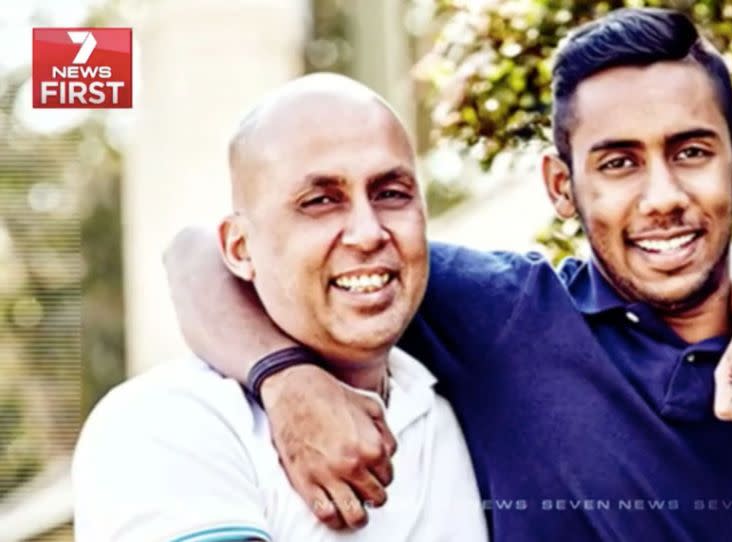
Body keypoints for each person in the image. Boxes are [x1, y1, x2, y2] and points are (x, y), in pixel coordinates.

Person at [158, 8, 732, 541]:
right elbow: (196, 255)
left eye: (692, 152)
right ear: (558, 185)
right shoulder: (499, 316)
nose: (663, 196)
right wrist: (286, 380)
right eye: (617, 163)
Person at [72, 74, 489, 542]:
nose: (368, 232)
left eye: (391, 193)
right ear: (239, 248)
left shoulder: (467, 406)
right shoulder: (163, 423)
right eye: (320, 201)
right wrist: (285, 377)